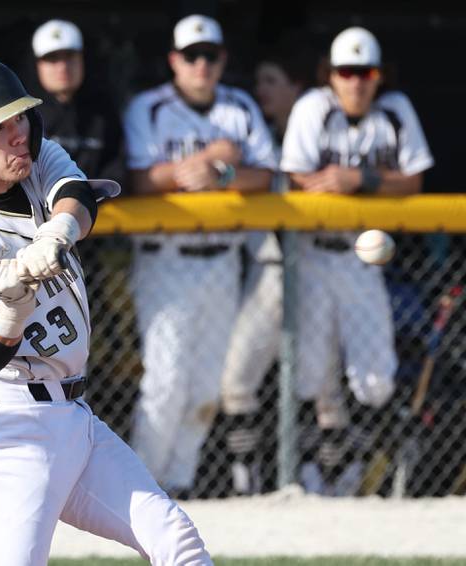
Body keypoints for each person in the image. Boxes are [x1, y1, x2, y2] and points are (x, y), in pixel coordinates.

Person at [0, 58, 213, 566]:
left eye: (19, 119)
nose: (17, 135)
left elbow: (76, 197)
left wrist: (55, 234)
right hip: (4, 429)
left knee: (175, 540)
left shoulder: (36, 161)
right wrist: (12, 306)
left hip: (73, 416)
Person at [123, 14, 276, 497]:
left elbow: (267, 176)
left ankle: (180, 482)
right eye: (191, 56)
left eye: (210, 55)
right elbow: (139, 179)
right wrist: (202, 163)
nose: (201, 65)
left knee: (206, 386)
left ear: (222, 59)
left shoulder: (240, 106)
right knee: (166, 383)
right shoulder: (148, 107)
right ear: (174, 60)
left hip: (223, 259)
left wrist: (223, 175)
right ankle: (140, 484)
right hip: (166, 258)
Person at [280, 26, 434, 495]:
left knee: (374, 379)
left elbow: (415, 181)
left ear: (378, 75)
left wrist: (359, 178)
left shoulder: (396, 110)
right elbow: (296, 176)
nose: (356, 82)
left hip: (363, 259)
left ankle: (369, 471)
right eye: (346, 72)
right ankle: (312, 475)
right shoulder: (313, 107)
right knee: (312, 375)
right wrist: (334, 182)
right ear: (332, 75)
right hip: (312, 255)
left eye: (365, 72)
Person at [219, 50, 309, 495]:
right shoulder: (263, 134)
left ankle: (327, 480)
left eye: (272, 80)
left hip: (309, 269)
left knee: (321, 385)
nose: (262, 90)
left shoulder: (313, 131)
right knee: (236, 381)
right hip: (264, 269)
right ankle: (245, 484)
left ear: (297, 87)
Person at [30, 18, 125, 181]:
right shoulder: (24, 113)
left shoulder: (105, 110)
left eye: (69, 56)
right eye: (52, 58)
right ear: (38, 65)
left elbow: (116, 170)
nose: (62, 67)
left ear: (82, 59)